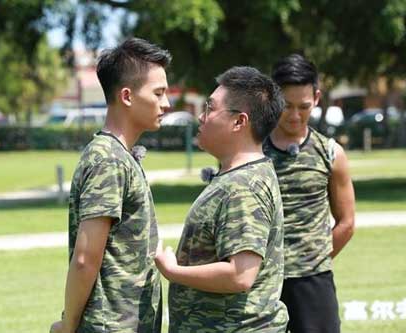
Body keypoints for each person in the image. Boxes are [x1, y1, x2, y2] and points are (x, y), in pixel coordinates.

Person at [50, 37, 171, 333]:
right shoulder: (108, 160)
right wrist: (68, 325)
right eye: (158, 93)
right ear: (127, 96)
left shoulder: (121, 156)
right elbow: (85, 258)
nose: (166, 104)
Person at [155, 66, 288, 332]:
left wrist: (172, 271)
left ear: (239, 121)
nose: (202, 117)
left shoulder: (243, 186)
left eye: (210, 108)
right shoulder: (238, 177)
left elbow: (240, 274)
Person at [263, 54, 356, 333]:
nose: (294, 115)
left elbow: (346, 223)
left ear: (316, 98)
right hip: (261, 280)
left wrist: (313, 259)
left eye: (303, 106)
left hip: (313, 281)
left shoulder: (331, 153)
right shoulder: (249, 151)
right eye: (286, 105)